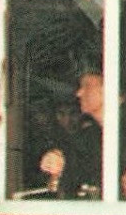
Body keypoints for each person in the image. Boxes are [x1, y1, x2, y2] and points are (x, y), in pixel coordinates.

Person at [39, 70, 106, 198]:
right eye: (61, 114)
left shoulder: (97, 136)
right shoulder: (49, 140)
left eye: (73, 114)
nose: (67, 120)